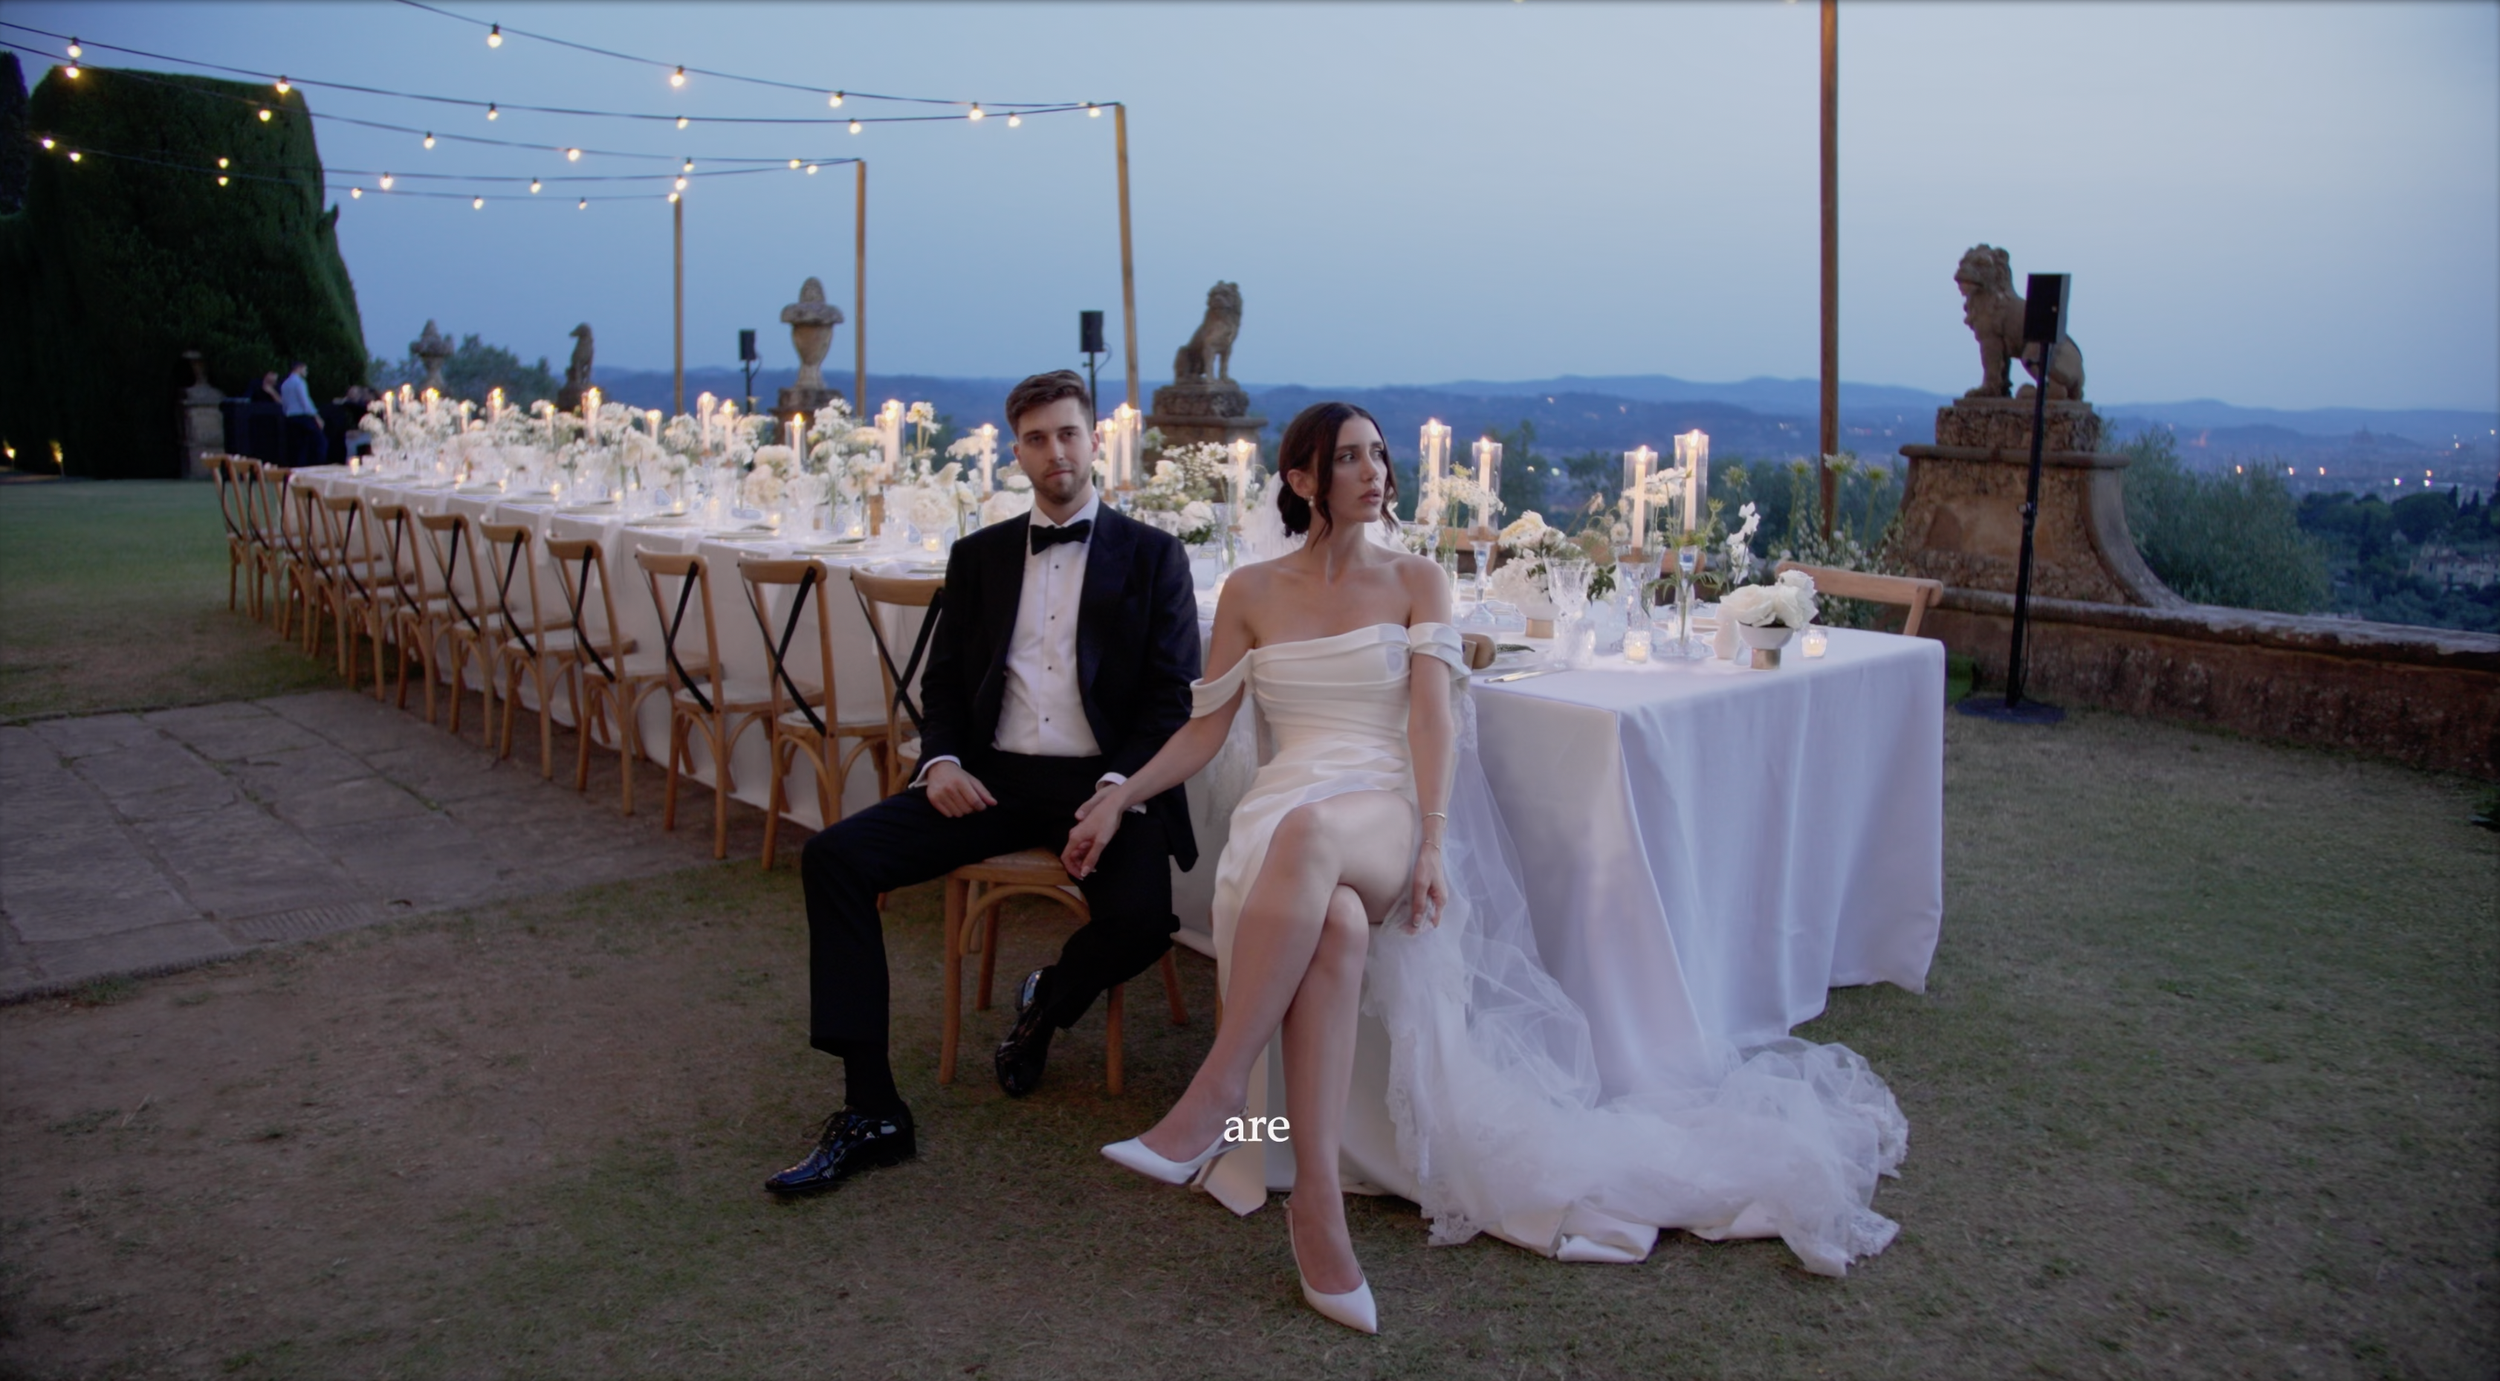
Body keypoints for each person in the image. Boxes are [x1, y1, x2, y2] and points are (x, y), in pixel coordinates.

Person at [1071, 401, 1909, 1334]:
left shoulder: (1417, 578)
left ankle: (1217, 1093)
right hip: (1285, 813)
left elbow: (1433, 717)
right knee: (1333, 918)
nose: (1374, 471)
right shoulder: (1251, 591)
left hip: (1384, 810)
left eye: (1378, 454)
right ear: (1302, 480)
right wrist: (1119, 794)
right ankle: (1317, 1210)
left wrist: (1432, 841)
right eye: (1348, 458)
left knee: (1313, 837)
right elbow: (1205, 729)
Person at [767, 370, 1201, 1198]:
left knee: (1143, 922)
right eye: (1036, 438)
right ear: (1017, 452)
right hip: (991, 779)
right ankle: (872, 1108)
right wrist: (941, 763)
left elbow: (1169, 699)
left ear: (1095, 440)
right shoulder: (978, 556)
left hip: (1105, 782)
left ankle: (1046, 1001)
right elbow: (943, 683)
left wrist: (1117, 790)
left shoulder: (1154, 556)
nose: (1055, 451)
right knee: (835, 856)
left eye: (1068, 433)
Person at [278, 361, 323, 468]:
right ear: (299, 368)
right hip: (303, 417)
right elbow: (305, 401)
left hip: (290, 418)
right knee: (318, 442)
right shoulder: (299, 382)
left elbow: (284, 403)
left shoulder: (285, 384)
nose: (306, 372)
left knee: (296, 447)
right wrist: (316, 416)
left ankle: (296, 468)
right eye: (305, 369)